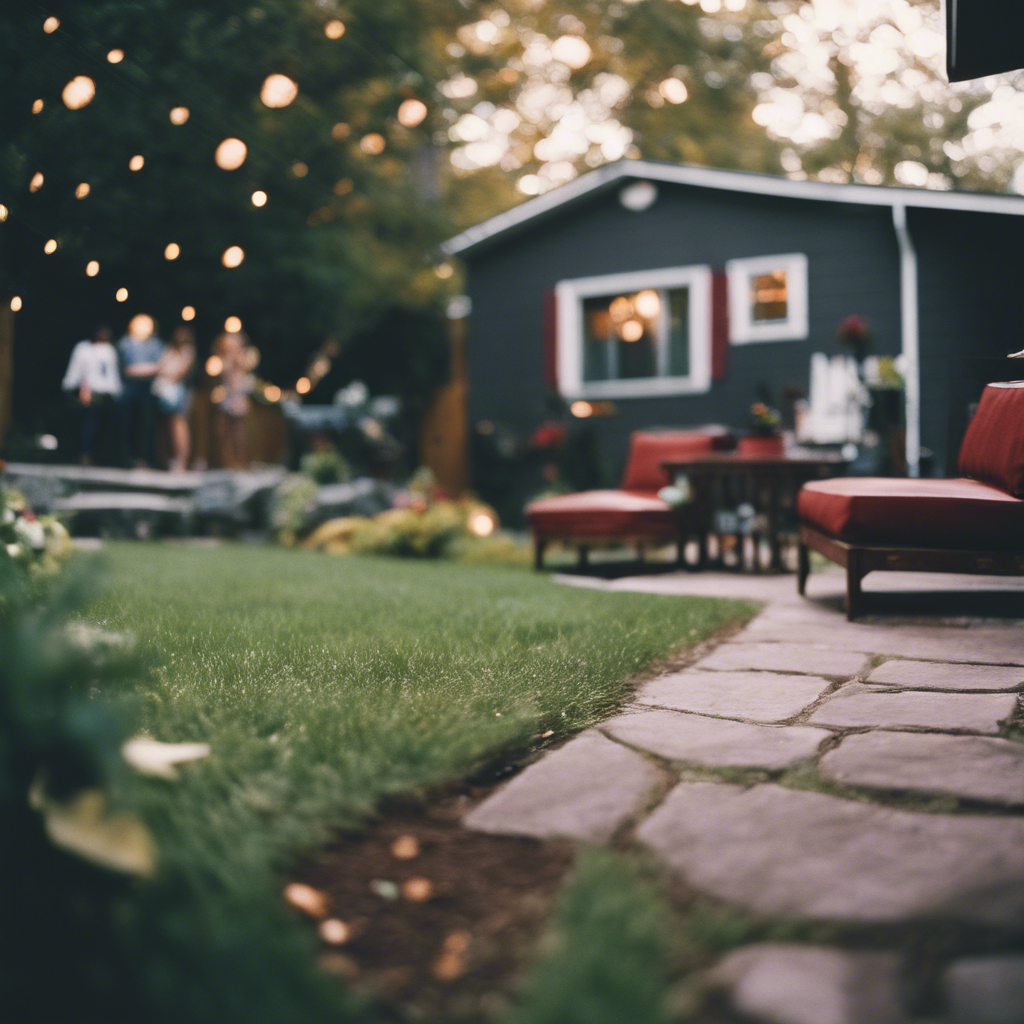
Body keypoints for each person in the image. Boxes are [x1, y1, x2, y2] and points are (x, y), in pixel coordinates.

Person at [61, 325, 122, 465]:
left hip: (107, 394)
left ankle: (100, 455)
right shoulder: (84, 349)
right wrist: (75, 387)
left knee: (102, 425)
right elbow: (76, 371)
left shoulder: (109, 350)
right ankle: (85, 453)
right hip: (89, 392)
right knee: (88, 423)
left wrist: (116, 392)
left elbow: (112, 375)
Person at [117, 317, 164, 467]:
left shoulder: (156, 344)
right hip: (128, 390)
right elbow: (125, 368)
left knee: (147, 425)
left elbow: (160, 366)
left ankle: (145, 458)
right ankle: (126, 458)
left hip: (148, 390)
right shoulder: (125, 342)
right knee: (126, 424)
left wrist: (137, 370)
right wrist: (146, 369)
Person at [153, 325, 196, 471]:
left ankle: (181, 461)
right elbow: (160, 366)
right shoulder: (169, 350)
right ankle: (169, 458)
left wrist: (167, 374)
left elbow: (180, 372)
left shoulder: (187, 351)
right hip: (164, 390)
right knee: (166, 425)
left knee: (178, 424)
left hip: (176, 390)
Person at [211, 331, 253, 469]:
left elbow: (245, 367)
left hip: (238, 396)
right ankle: (227, 463)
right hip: (225, 396)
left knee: (239, 432)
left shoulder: (244, 355)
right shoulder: (221, 358)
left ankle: (241, 463)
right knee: (223, 431)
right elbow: (219, 372)